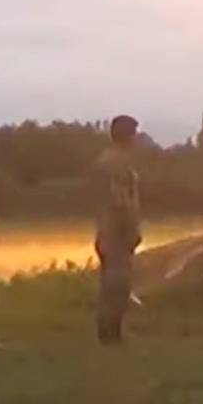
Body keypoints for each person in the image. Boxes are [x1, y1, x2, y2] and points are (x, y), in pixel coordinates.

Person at [92, 115, 142, 345]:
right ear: (127, 136)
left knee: (109, 284)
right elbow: (122, 201)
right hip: (117, 233)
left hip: (105, 230)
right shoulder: (118, 164)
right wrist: (131, 229)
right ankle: (112, 335)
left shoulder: (104, 160)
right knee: (118, 285)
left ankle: (109, 333)